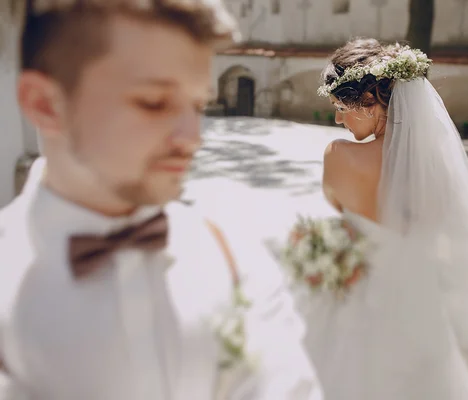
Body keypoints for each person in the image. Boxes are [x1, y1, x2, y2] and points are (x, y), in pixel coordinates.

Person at [0, 1, 322, 399]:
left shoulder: (232, 256)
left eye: (198, 106)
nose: (193, 138)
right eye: (153, 102)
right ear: (44, 105)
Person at [293, 38, 468, 399]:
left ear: (370, 101)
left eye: (341, 106)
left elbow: (337, 205)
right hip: (420, 300)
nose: (338, 118)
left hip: (361, 297)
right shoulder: (437, 166)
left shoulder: (338, 155)